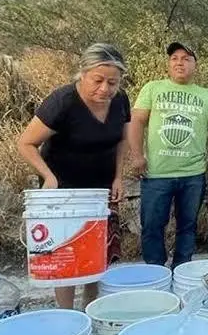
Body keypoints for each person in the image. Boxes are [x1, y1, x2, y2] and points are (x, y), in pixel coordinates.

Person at [17, 43, 129, 309]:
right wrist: (48, 177)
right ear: (83, 73)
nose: (105, 89)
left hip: (100, 189)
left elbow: (123, 140)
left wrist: (118, 177)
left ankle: (90, 310)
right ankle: (67, 316)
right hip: (64, 190)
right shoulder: (63, 102)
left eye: (112, 82)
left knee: (95, 255)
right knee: (66, 255)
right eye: (98, 80)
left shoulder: (121, 99)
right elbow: (25, 143)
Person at [129, 42, 208, 269]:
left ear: (195, 65)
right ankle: (155, 271)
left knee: (187, 226)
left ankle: (182, 270)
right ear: (169, 64)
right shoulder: (153, 88)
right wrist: (137, 155)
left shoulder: (206, 95)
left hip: (193, 175)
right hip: (156, 174)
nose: (180, 62)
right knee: (152, 225)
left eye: (186, 58)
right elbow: (136, 121)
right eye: (175, 58)